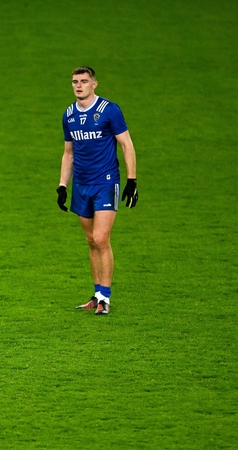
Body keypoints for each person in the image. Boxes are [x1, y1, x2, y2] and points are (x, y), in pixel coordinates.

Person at [56, 66, 138, 316]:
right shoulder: (68, 115)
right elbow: (68, 153)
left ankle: (106, 297)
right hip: (81, 185)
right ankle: (97, 294)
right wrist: (62, 185)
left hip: (105, 181)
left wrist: (132, 180)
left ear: (94, 84)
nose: (78, 85)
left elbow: (126, 144)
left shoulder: (109, 111)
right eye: (74, 82)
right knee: (91, 241)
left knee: (101, 239)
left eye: (83, 81)